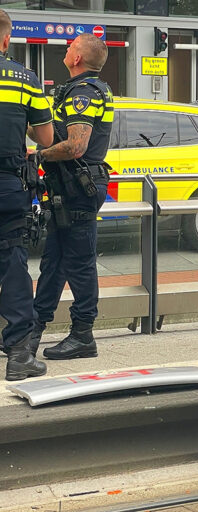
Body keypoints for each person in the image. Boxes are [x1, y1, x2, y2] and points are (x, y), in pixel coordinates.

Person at [29, 33, 113, 360]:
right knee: (54, 262)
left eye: (70, 47)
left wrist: (36, 157)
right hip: (67, 188)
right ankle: (32, 330)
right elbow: (55, 134)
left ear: (77, 58)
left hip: (79, 188)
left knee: (78, 264)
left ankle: (83, 335)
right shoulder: (75, 89)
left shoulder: (84, 92)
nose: (66, 50)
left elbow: (76, 146)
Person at [0, 9, 53, 380]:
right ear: (5, 40)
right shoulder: (24, 78)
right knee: (13, 261)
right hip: (6, 184)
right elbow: (46, 137)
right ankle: (19, 354)